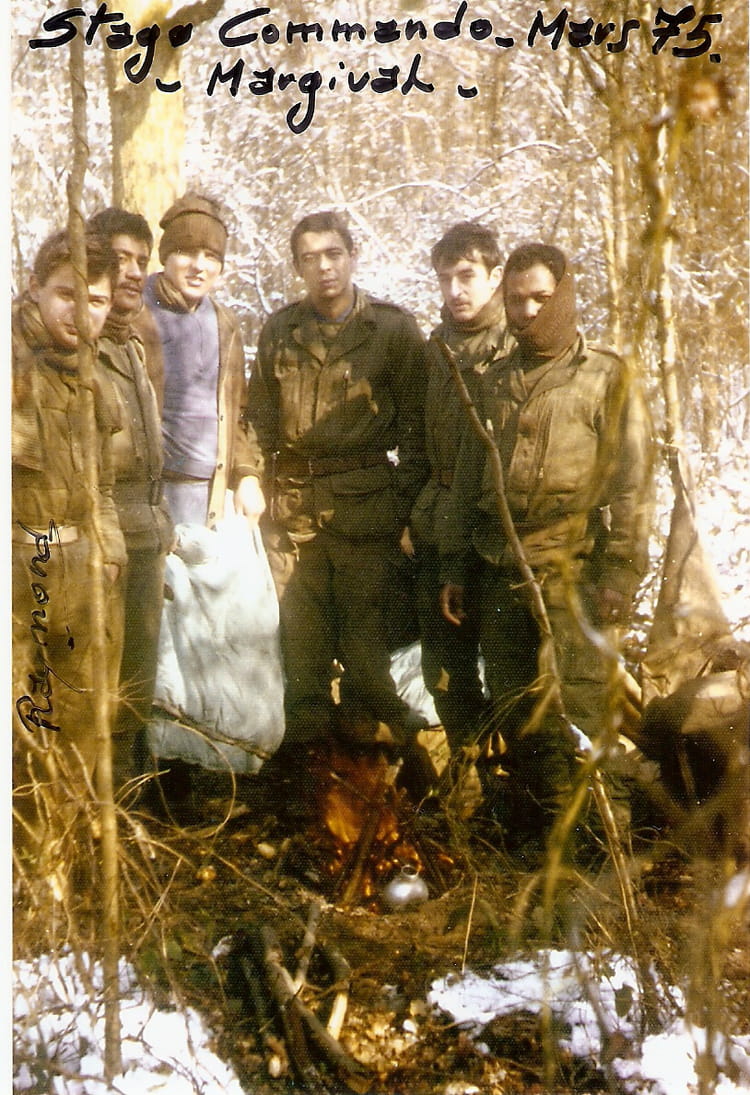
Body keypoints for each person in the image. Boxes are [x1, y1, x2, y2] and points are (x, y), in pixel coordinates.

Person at [439, 242, 654, 851]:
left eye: (541, 298)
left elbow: (634, 485)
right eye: (516, 300)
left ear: (565, 296)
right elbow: (469, 480)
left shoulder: (606, 378)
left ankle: (602, 852)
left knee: (581, 711)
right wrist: (456, 566)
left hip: (572, 570)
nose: (528, 311)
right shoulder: (494, 380)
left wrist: (621, 572)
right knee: (519, 710)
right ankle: (544, 842)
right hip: (499, 568)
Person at [244, 210, 430, 783]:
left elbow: (420, 431)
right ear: (298, 267)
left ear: (352, 257)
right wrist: (250, 480)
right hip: (294, 517)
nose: (323, 267)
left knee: (368, 663)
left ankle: (405, 779)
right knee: (301, 662)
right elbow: (258, 422)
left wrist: (406, 510)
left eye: (333, 254)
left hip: (366, 515)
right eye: (310, 258)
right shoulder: (281, 331)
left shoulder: (392, 331)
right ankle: (313, 792)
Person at [12, 229, 125, 852]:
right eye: (66, 295)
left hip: (80, 570)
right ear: (35, 288)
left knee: (82, 722)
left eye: (97, 301)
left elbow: (103, 488)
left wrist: (109, 555)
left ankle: (62, 862)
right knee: (19, 727)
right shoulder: (12, 364)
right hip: (18, 565)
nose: (81, 314)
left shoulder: (94, 377)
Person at [409, 221, 509, 755]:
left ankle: (519, 779)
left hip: (495, 529)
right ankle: (473, 772)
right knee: (445, 670)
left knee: (510, 667)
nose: (455, 290)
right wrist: (413, 515)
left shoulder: (515, 345)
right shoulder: (438, 347)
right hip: (441, 522)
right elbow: (418, 443)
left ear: (495, 276)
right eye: (445, 278)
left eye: (467, 276)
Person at [87, 208, 174, 790]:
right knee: (100, 684)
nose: (134, 272)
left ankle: (128, 807)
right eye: (120, 259)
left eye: (142, 261)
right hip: (104, 541)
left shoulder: (133, 345)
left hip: (145, 537)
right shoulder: (79, 347)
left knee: (137, 684)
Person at [138, 192, 262, 528]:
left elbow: (236, 415)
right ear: (165, 255)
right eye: (186, 252)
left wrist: (247, 475)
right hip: (150, 495)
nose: (199, 266)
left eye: (211, 256)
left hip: (211, 497)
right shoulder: (136, 312)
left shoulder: (225, 324)